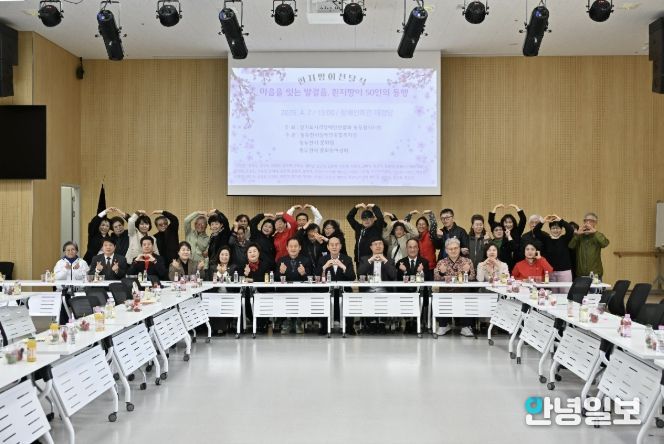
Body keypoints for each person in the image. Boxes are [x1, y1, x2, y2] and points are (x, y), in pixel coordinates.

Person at [433, 238, 476, 337]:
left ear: (459, 248)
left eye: (456, 248)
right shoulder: (441, 262)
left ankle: (465, 327)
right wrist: (442, 273)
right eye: (450, 249)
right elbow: (436, 278)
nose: (453, 251)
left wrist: (467, 272)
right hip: (446, 292)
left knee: (467, 296)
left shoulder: (467, 261)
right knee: (440, 297)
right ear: (446, 250)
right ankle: (443, 325)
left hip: (462, 291)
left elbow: (473, 277)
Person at [318, 236, 356, 334]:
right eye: (332, 245)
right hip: (327, 289)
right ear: (328, 247)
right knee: (323, 296)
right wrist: (324, 267)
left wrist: (343, 266)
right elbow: (316, 277)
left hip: (344, 290)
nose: (334, 247)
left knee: (349, 297)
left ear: (340, 246)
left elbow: (352, 277)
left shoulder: (347, 259)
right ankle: (324, 327)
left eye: (336, 244)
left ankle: (349, 327)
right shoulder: (322, 259)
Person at [534, 215, 575, 285]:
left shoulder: (564, 239)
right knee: (551, 292)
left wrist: (561, 220)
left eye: (558, 228)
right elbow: (535, 231)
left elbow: (570, 230)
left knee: (566, 291)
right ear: (550, 229)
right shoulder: (546, 239)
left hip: (564, 272)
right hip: (550, 272)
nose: (555, 230)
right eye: (553, 228)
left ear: (561, 229)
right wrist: (543, 221)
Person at [568, 212, 610, 278]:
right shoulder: (579, 235)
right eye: (585, 221)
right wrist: (577, 235)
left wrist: (595, 233)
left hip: (595, 273)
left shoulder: (598, 235)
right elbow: (571, 246)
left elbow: (605, 243)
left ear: (595, 223)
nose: (587, 223)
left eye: (590, 221)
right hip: (581, 274)